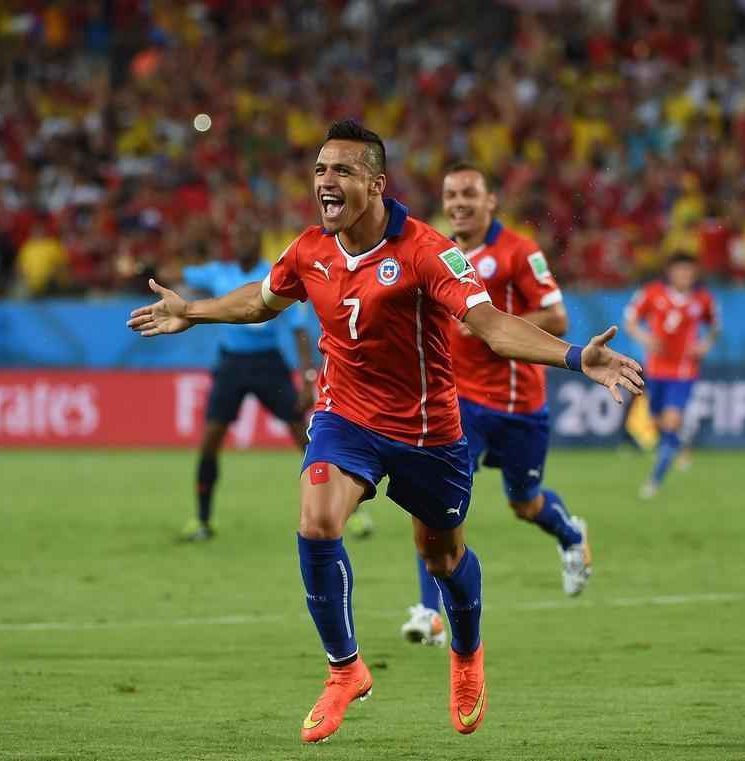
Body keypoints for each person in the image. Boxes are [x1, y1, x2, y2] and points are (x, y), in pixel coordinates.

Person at [127, 120, 644, 743]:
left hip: (428, 431)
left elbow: (490, 326)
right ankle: (345, 670)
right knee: (317, 520)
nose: (326, 182)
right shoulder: (310, 250)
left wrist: (572, 357)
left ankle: (467, 654)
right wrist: (193, 311)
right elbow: (262, 301)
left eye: (341, 171)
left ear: (375, 184)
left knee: (442, 556)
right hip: (345, 417)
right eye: (320, 170)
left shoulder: (428, 251)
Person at [399, 163, 593, 649]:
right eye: (451, 194)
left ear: (490, 203)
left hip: (522, 405)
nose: (459, 203)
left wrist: (492, 325)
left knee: (524, 504)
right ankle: (430, 612)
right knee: (435, 500)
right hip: (461, 403)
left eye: (469, 193)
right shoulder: (434, 253)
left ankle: (570, 533)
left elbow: (558, 316)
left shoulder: (520, 252)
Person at [180, 223, 341, 542]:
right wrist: (150, 271)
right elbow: (181, 276)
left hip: (268, 363)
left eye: (248, 235)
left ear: (259, 241)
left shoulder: (276, 273)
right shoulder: (217, 272)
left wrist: (309, 378)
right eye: (238, 235)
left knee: (304, 435)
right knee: (211, 437)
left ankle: (344, 509)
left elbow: (298, 330)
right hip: (231, 364)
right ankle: (202, 519)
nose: (242, 240)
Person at [624, 253, 719, 499]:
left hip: (684, 372)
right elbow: (630, 321)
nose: (684, 276)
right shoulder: (652, 293)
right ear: (670, 273)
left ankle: (654, 482)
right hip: (655, 370)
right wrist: (645, 338)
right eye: (680, 271)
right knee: (658, 422)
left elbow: (715, 327)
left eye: (688, 272)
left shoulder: (703, 299)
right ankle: (681, 443)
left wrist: (705, 345)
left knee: (671, 420)